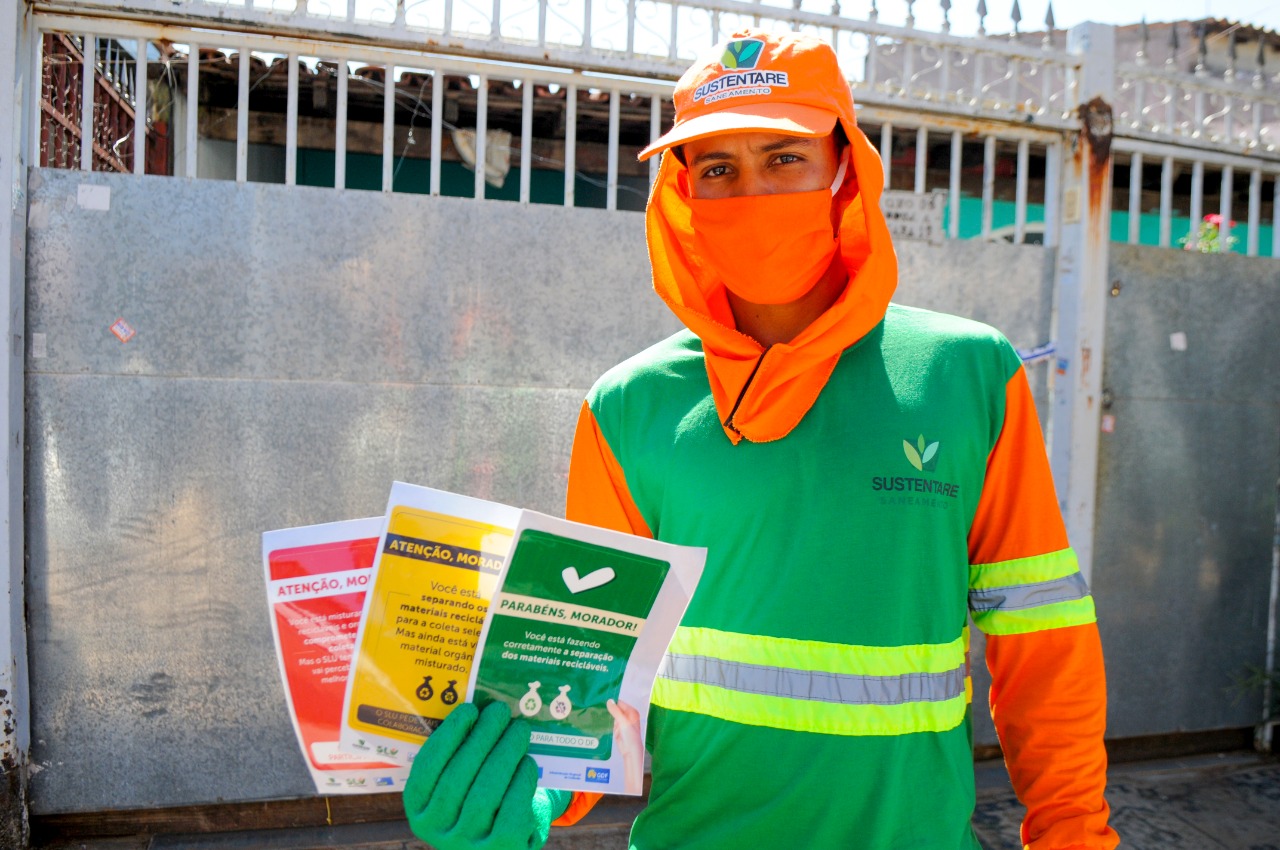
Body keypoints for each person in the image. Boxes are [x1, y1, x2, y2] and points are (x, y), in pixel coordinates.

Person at [403, 28, 1118, 850]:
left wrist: (1075, 836)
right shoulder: (629, 406)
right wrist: (525, 806)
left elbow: (1041, 638)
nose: (752, 192)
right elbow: (589, 666)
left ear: (845, 169)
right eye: (718, 169)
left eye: (784, 158)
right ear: (684, 197)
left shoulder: (967, 374)